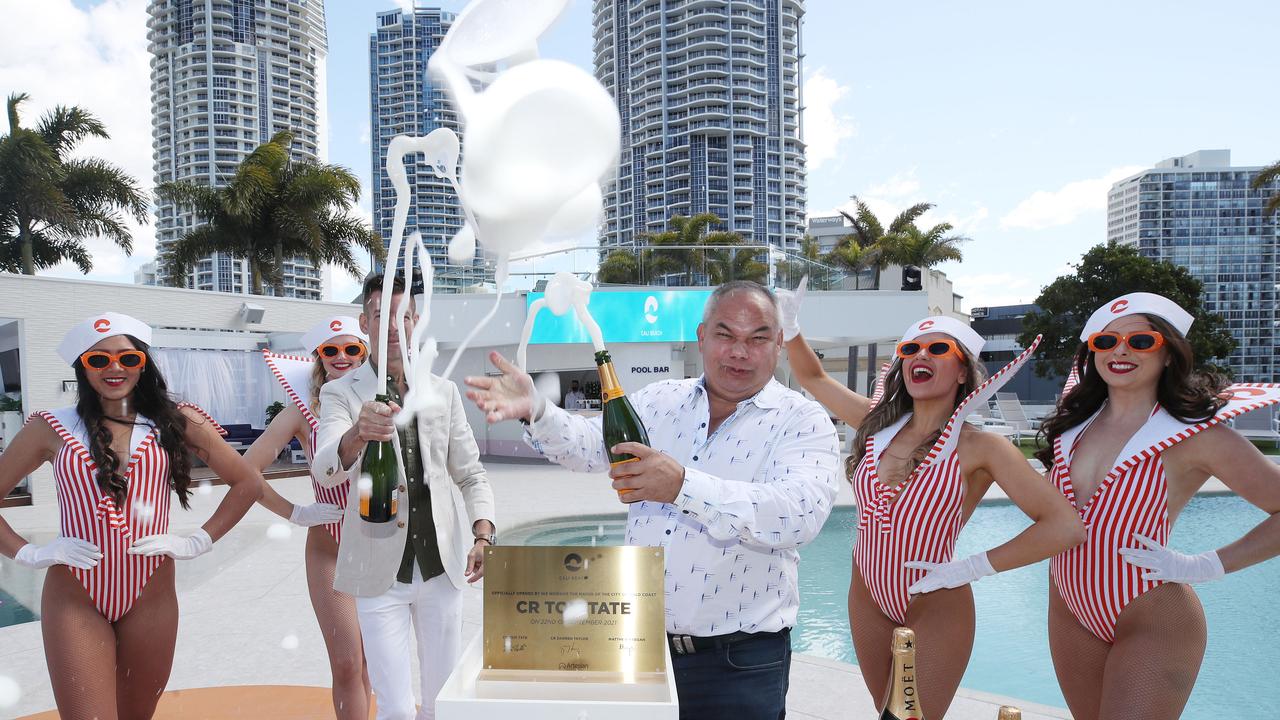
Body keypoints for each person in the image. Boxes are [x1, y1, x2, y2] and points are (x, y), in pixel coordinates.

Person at [465, 280, 840, 720]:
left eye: (757, 338)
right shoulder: (662, 400)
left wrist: (682, 485)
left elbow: (796, 514)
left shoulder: (803, 421)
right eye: (725, 335)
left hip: (740, 663)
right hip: (638, 648)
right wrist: (537, 409)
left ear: (778, 343)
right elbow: (590, 446)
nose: (740, 351)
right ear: (701, 337)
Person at [777, 291, 1085, 716]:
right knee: (885, 711)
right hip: (866, 594)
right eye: (911, 349)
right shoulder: (878, 427)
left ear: (963, 372)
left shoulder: (982, 448)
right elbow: (813, 378)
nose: (922, 355)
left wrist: (974, 566)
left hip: (936, 599)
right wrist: (790, 327)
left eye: (939, 349)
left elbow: (1064, 526)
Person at [0, 312, 262, 719]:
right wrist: (29, 554)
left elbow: (248, 483)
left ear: (143, 362)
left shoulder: (176, 422)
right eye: (98, 360)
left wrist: (198, 540)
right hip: (75, 596)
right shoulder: (50, 428)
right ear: (83, 368)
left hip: (151, 597)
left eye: (127, 358)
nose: (114, 368)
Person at [1036, 292, 1280, 720]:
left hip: (1152, 614)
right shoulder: (1071, 428)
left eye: (1141, 341)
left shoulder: (1197, 435)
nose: (1121, 351)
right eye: (1106, 342)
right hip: (1069, 608)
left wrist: (1203, 565)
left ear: (1168, 353)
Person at [313, 273, 496, 720]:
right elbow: (326, 466)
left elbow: (471, 473)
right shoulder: (340, 392)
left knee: (443, 702)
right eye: (381, 317)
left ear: (416, 322)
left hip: (442, 568)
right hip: (379, 574)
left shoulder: (443, 392)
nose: (393, 327)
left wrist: (483, 532)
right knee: (395, 707)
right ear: (364, 322)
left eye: (403, 317)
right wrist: (358, 433)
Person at [244, 315, 371, 719]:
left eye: (352, 349)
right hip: (330, 549)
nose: (341, 357)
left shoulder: (388, 398)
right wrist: (296, 512)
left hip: (384, 547)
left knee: (379, 660)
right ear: (318, 357)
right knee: (348, 661)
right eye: (330, 350)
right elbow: (245, 470)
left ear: (366, 354)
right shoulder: (301, 410)